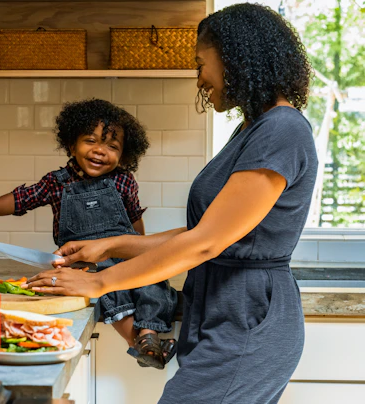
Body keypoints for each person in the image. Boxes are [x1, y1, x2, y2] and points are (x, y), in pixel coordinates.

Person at [24, 3, 317, 403]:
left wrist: (98, 282)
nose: (200, 78)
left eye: (201, 64)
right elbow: (209, 231)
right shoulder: (252, 129)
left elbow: (206, 243)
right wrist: (111, 245)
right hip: (222, 311)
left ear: (233, 59)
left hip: (249, 318)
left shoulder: (282, 130)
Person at [0, 99, 178, 369]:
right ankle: (136, 343)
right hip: (87, 263)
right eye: (90, 141)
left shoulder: (124, 181)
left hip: (124, 253)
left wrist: (143, 253)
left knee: (152, 281)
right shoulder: (57, 182)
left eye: (111, 146)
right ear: (72, 145)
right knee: (111, 293)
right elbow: (22, 199)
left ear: (124, 155)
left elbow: (134, 220)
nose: (100, 151)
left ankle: (149, 337)